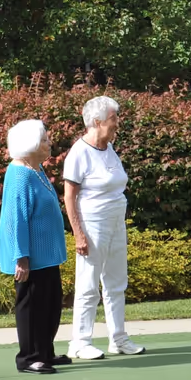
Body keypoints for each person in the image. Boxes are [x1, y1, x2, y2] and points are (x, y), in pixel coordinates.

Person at [63, 95, 145, 360]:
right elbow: (69, 197)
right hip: (92, 224)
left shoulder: (109, 149)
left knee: (116, 282)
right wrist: (79, 234)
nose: (117, 124)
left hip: (115, 223)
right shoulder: (79, 152)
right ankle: (79, 342)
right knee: (88, 285)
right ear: (96, 122)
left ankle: (118, 338)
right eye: (113, 119)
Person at [0, 119, 70, 374]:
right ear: (29, 144)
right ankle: (29, 358)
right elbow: (15, 218)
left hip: (47, 256)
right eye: (44, 140)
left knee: (49, 305)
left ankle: (45, 351)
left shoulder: (35, 169)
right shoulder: (19, 175)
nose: (49, 143)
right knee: (32, 306)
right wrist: (21, 256)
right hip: (32, 258)